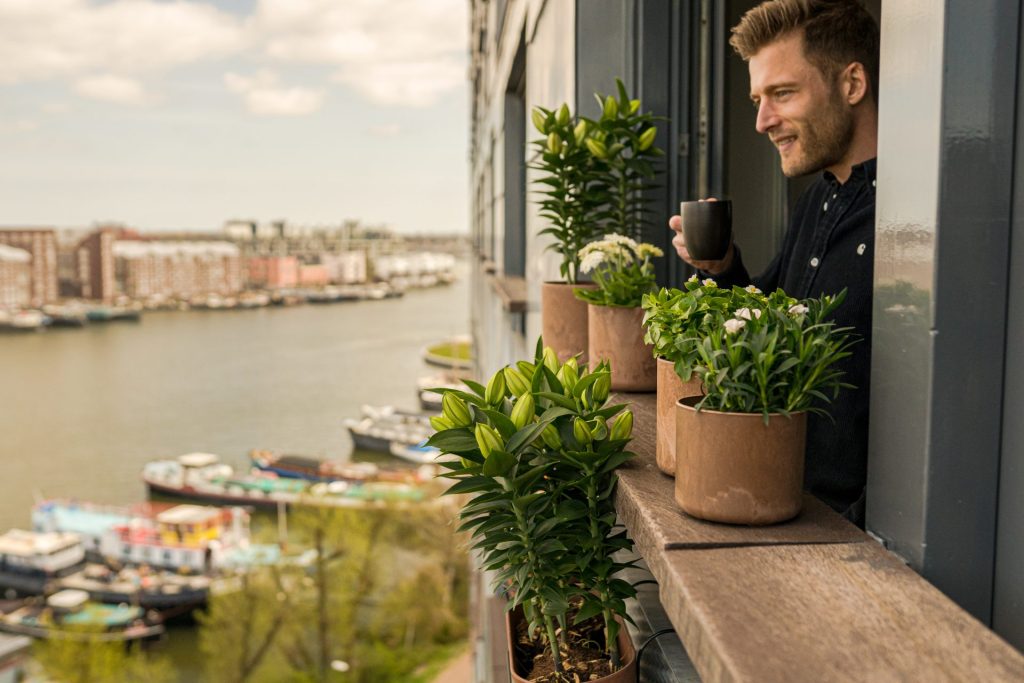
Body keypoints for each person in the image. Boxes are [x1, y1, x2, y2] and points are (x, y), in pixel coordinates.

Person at [669, 0, 879, 525]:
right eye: (758, 99)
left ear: (852, 84)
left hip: (850, 548)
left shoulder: (914, 218)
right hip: (781, 507)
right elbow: (764, 328)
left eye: (782, 93)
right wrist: (720, 267)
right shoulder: (817, 199)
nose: (762, 121)